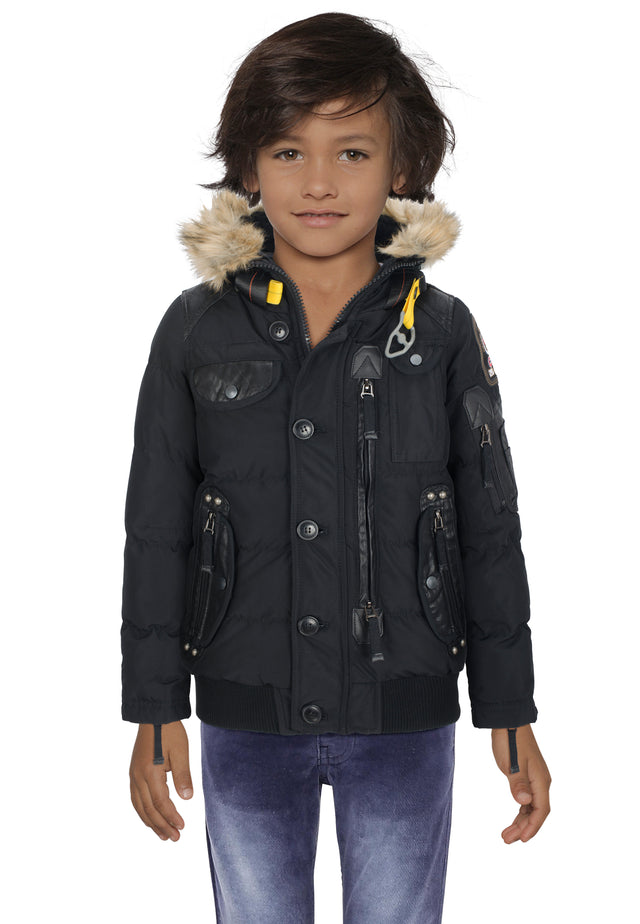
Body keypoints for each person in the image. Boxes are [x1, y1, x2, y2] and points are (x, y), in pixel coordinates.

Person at [121, 12, 551, 923]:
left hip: (405, 714)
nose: (318, 182)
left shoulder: (440, 331)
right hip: (244, 711)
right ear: (248, 168)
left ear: (401, 167)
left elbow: (489, 526)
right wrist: (154, 706)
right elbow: (157, 528)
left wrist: (509, 707)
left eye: (352, 153)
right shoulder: (196, 328)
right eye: (288, 151)